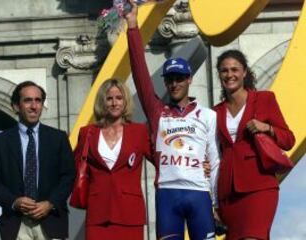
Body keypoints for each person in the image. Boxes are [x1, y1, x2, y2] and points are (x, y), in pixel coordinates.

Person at [124, 2, 220, 239]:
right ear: (166, 83)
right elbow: (140, 75)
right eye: (170, 80)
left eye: (179, 78)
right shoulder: (157, 112)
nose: (174, 84)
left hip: (199, 194)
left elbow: (215, 160)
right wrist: (133, 27)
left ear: (189, 79)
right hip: (167, 193)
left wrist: (217, 203)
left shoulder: (208, 115)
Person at [213, 49, 295, 240]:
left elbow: (288, 140)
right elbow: (215, 154)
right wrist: (215, 201)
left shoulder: (264, 99)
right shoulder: (215, 112)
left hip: (259, 187)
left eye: (235, 69)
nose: (230, 74)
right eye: (224, 71)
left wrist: (267, 128)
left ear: (244, 72)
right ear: (219, 75)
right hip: (229, 193)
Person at [0, 81, 76, 240]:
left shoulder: (58, 138)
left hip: (51, 222)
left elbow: (69, 175)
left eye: (38, 100)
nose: (34, 106)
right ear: (16, 106)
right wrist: (14, 201)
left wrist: (50, 203)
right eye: (28, 100)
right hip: (16, 225)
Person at [73, 79, 152, 240]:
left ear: (125, 101)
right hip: (97, 214)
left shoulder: (139, 131)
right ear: (102, 102)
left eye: (119, 98)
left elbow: (162, 161)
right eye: (109, 98)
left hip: (130, 214)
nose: (114, 103)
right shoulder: (88, 132)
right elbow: (71, 168)